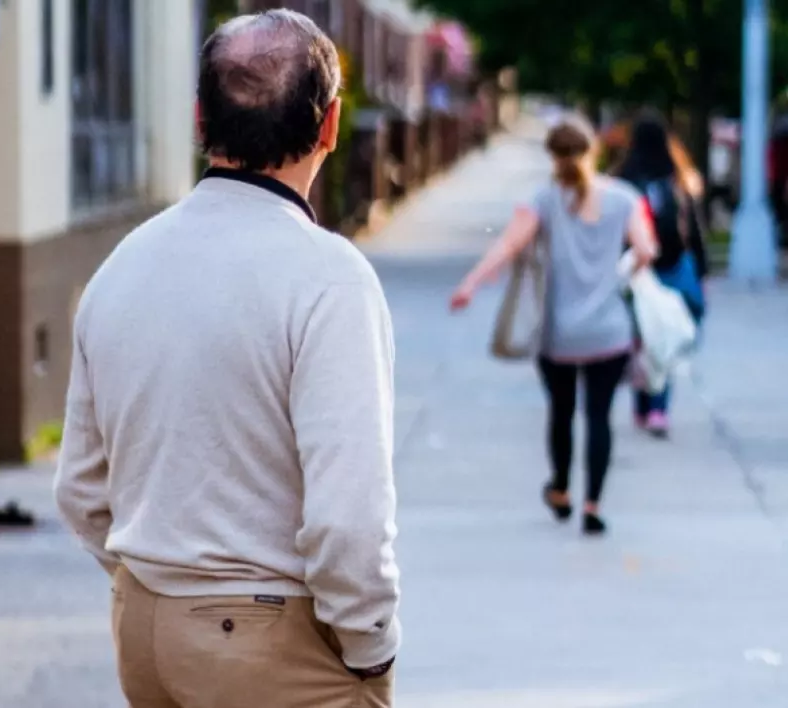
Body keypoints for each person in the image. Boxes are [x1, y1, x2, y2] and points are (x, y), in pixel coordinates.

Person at [54, 10, 400, 707]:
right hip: (271, 641)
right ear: (330, 126)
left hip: (145, 626)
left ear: (198, 122)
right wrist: (371, 647)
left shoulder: (123, 266)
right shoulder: (327, 277)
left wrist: (159, 581)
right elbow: (347, 519)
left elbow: (80, 490)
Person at [450, 117, 656, 535]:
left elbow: (508, 245)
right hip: (609, 332)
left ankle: (561, 490)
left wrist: (470, 284)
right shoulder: (623, 198)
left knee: (561, 414)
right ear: (592, 150)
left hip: (558, 334)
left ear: (553, 157)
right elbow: (647, 249)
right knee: (599, 417)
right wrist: (623, 274)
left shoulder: (542, 201)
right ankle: (593, 505)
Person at [617, 112, 709, 438]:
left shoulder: (624, 177)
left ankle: (643, 403)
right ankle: (658, 407)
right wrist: (702, 269)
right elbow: (694, 229)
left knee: (643, 336)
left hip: (637, 268)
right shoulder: (677, 177)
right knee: (664, 336)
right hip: (672, 264)